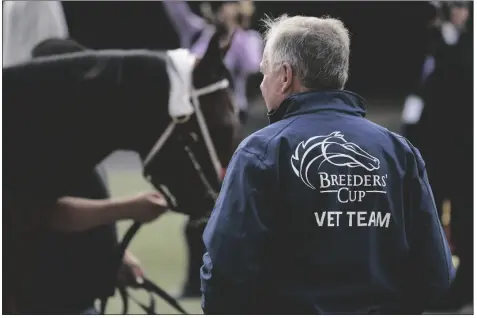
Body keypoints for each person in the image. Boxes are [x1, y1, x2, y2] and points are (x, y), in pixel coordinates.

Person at [200, 14, 455, 314]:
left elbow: (224, 276)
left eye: (264, 72)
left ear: (284, 76)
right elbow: (437, 274)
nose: (261, 84)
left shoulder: (261, 152)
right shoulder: (400, 152)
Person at [2, 2, 168, 313]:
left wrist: (116, 257)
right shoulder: (37, 147)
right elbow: (51, 212)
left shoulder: (69, 140)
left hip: (76, 298)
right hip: (47, 301)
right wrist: (131, 207)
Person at [401, 1, 472, 311]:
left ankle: (465, 286)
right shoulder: (429, 40)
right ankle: (427, 283)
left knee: (463, 220)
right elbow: (417, 89)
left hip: (463, 146)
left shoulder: (465, 46)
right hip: (430, 143)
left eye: (464, 7)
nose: (461, 13)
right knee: (426, 215)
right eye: (454, 6)